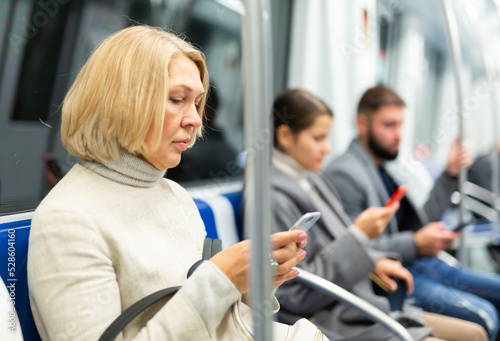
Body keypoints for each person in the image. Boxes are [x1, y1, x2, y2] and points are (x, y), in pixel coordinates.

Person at [27, 26, 325, 340]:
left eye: (196, 103)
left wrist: (253, 285)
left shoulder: (174, 195)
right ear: (121, 102)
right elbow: (198, 303)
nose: (196, 119)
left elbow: (210, 317)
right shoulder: (68, 221)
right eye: (177, 99)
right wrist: (219, 281)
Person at [270, 88, 487, 341]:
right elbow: (293, 292)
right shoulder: (276, 197)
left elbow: (337, 246)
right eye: (318, 138)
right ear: (285, 136)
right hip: (336, 317)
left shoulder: (312, 181)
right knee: (478, 324)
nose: (328, 148)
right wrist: (360, 236)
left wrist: (371, 260)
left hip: (359, 301)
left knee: (476, 333)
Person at [166, 85, 242, 182]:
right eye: (176, 101)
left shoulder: (188, 156)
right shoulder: (229, 151)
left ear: (209, 110)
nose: (194, 117)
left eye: (197, 105)